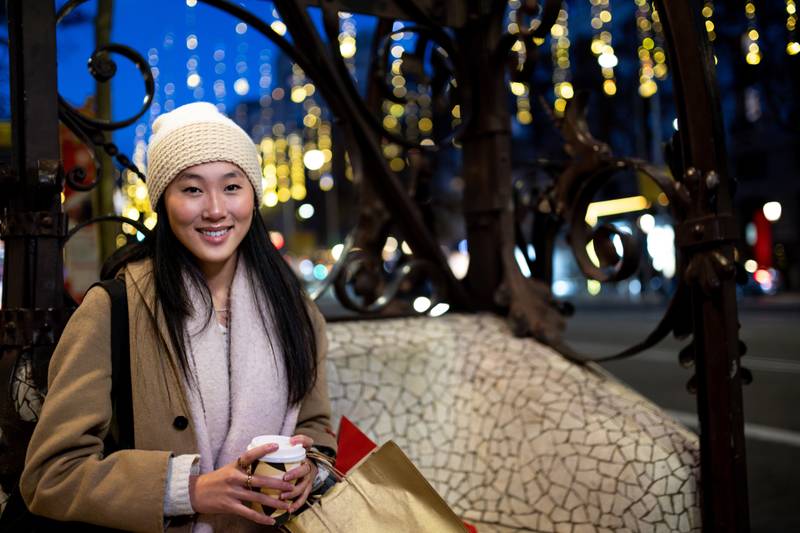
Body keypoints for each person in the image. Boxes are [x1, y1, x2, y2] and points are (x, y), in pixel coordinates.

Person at [20, 102, 337, 532]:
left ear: (254, 195)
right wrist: (187, 490)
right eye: (191, 190)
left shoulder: (294, 310)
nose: (215, 210)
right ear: (163, 201)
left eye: (231, 187)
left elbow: (315, 427)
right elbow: (50, 475)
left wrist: (310, 472)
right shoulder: (113, 309)